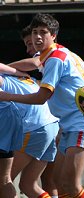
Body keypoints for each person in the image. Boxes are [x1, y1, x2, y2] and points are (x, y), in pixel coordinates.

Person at [0, 13, 84, 197]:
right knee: (58, 185)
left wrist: (6, 96)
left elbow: (41, 97)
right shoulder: (55, 54)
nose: (37, 37)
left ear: (53, 35)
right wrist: (10, 70)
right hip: (65, 125)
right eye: (35, 32)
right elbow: (34, 63)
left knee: (70, 185)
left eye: (43, 32)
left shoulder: (55, 59)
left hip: (81, 123)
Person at [0, 63, 59, 198]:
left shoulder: (8, 80)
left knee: (3, 182)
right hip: (51, 126)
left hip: (34, 128)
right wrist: (17, 71)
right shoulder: (24, 78)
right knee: (28, 185)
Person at [21, 24, 59, 198]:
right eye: (27, 44)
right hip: (55, 124)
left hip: (47, 125)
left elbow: (35, 62)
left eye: (31, 43)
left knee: (4, 182)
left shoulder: (47, 56)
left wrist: (4, 67)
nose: (30, 49)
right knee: (42, 182)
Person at [0, 64, 28, 198]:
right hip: (9, 120)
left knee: (4, 179)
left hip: (4, 120)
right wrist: (18, 72)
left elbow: (36, 62)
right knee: (4, 179)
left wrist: (18, 72)